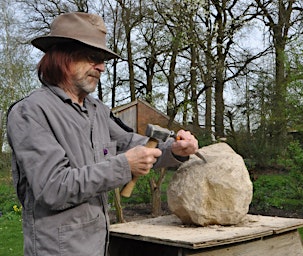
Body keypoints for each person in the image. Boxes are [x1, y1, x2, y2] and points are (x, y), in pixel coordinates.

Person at [6, 12, 199, 256]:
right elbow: (52, 189)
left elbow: (131, 144)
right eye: (93, 57)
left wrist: (175, 150)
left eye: (103, 59)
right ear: (61, 56)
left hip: (99, 246)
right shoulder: (31, 112)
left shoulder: (96, 110)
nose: (102, 67)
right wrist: (124, 167)